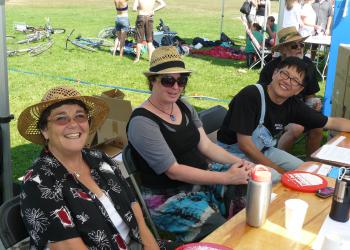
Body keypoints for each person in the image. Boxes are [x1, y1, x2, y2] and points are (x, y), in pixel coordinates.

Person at [17, 86, 176, 249]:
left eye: (80, 116)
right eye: (61, 118)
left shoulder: (98, 158)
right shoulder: (38, 183)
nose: (73, 124)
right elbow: (69, 246)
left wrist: (152, 246)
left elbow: (133, 204)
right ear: (45, 131)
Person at [127, 46, 254, 242]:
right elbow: (173, 171)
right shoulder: (142, 122)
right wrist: (227, 177)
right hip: (168, 196)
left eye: (182, 81)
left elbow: (206, 146)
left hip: (201, 179)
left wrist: (240, 162)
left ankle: (246, 240)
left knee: (250, 188)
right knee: (220, 229)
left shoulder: (184, 105)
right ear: (152, 80)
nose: (176, 87)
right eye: (168, 80)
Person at [217, 57, 350, 181]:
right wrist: (279, 171)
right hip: (231, 153)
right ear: (274, 73)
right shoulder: (251, 95)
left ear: (299, 90)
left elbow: (331, 122)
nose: (287, 81)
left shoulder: (293, 104)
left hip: (263, 150)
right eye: (284, 74)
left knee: (307, 171)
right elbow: (245, 145)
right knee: (278, 179)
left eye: (295, 80)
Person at [259, 26, 323, 159]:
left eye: (302, 45)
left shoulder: (307, 65)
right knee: (296, 128)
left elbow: (310, 96)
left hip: (298, 110)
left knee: (318, 125)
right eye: (294, 46)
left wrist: (314, 103)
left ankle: (311, 164)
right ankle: (279, 160)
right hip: (274, 112)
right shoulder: (271, 68)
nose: (300, 48)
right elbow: (262, 98)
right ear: (283, 50)